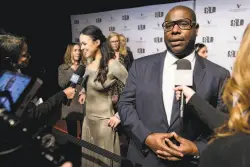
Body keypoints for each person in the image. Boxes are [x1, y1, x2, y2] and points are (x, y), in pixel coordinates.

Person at [117, 5, 230, 167]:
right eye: (169, 25)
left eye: (183, 24)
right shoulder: (140, 66)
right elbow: (125, 104)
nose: (175, 30)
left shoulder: (219, 75)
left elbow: (224, 127)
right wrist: (147, 137)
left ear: (196, 29)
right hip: (144, 160)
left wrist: (196, 148)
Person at [78, 25, 128, 167]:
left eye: (84, 43)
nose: (81, 48)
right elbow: (88, 84)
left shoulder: (114, 65)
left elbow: (134, 91)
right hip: (88, 122)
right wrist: (83, 92)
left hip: (104, 125)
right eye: (80, 44)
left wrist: (119, 115)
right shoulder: (89, 64)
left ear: (97, 42)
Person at [58, 43, 85, 137]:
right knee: (72, 135)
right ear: (70, 52)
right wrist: (72, 70)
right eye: (75, 50)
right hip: (70, 104)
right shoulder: (63, 68)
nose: (78, 52)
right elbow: (62, 84)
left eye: (79, 50)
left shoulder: (85, 67)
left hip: (83, 103)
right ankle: (73, 150)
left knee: (85, 135)